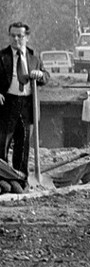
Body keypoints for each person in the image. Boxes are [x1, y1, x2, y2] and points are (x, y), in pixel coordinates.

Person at [0, 22, 49, 177]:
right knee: (3, 142)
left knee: (23, 143)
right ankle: (3, 179)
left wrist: (41, 75)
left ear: (27, 37)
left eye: (19, 36)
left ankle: (21, 178)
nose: (16, 39)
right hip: (7, 103)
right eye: (12, 35)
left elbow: (46, 77)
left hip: (27, 105)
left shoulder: (34, 58)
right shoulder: (2, 57)